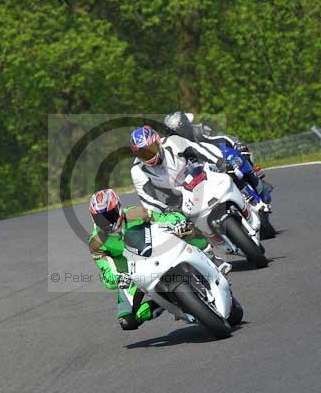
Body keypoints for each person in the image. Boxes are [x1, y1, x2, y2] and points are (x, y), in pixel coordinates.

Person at [88, 188, 229, 331]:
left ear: (119, 207)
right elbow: (106, 271)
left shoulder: (135, 213)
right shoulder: (96, 242)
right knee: (127, 321)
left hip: (156, 252)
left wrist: (177, 222)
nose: (107, 222)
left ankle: (211, 256)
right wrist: (118, 279)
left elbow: (164, 218)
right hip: (132, 275)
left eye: (110, 215)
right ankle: (162, 303)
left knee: (186, 227)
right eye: (100, 219)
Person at [164, 111, 272, 204]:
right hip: (204, 172)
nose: (177, 135)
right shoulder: (174, 148)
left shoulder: (198, 131)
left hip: (219, 158)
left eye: (179, 131)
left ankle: (256, 181)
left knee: (237, 157)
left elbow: (219, 138)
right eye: (173, 133)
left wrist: (236, 143)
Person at [129, 124, 222, 213]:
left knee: (231, 174)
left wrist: (219, 162)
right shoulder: (137, 170)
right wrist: (166, 210)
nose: (149, 155)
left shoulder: (173, 142)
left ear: (157, 141)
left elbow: (200, 150)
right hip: (178, 202)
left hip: (201, 179)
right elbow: (147, 200)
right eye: (143, 154)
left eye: (151, 149)